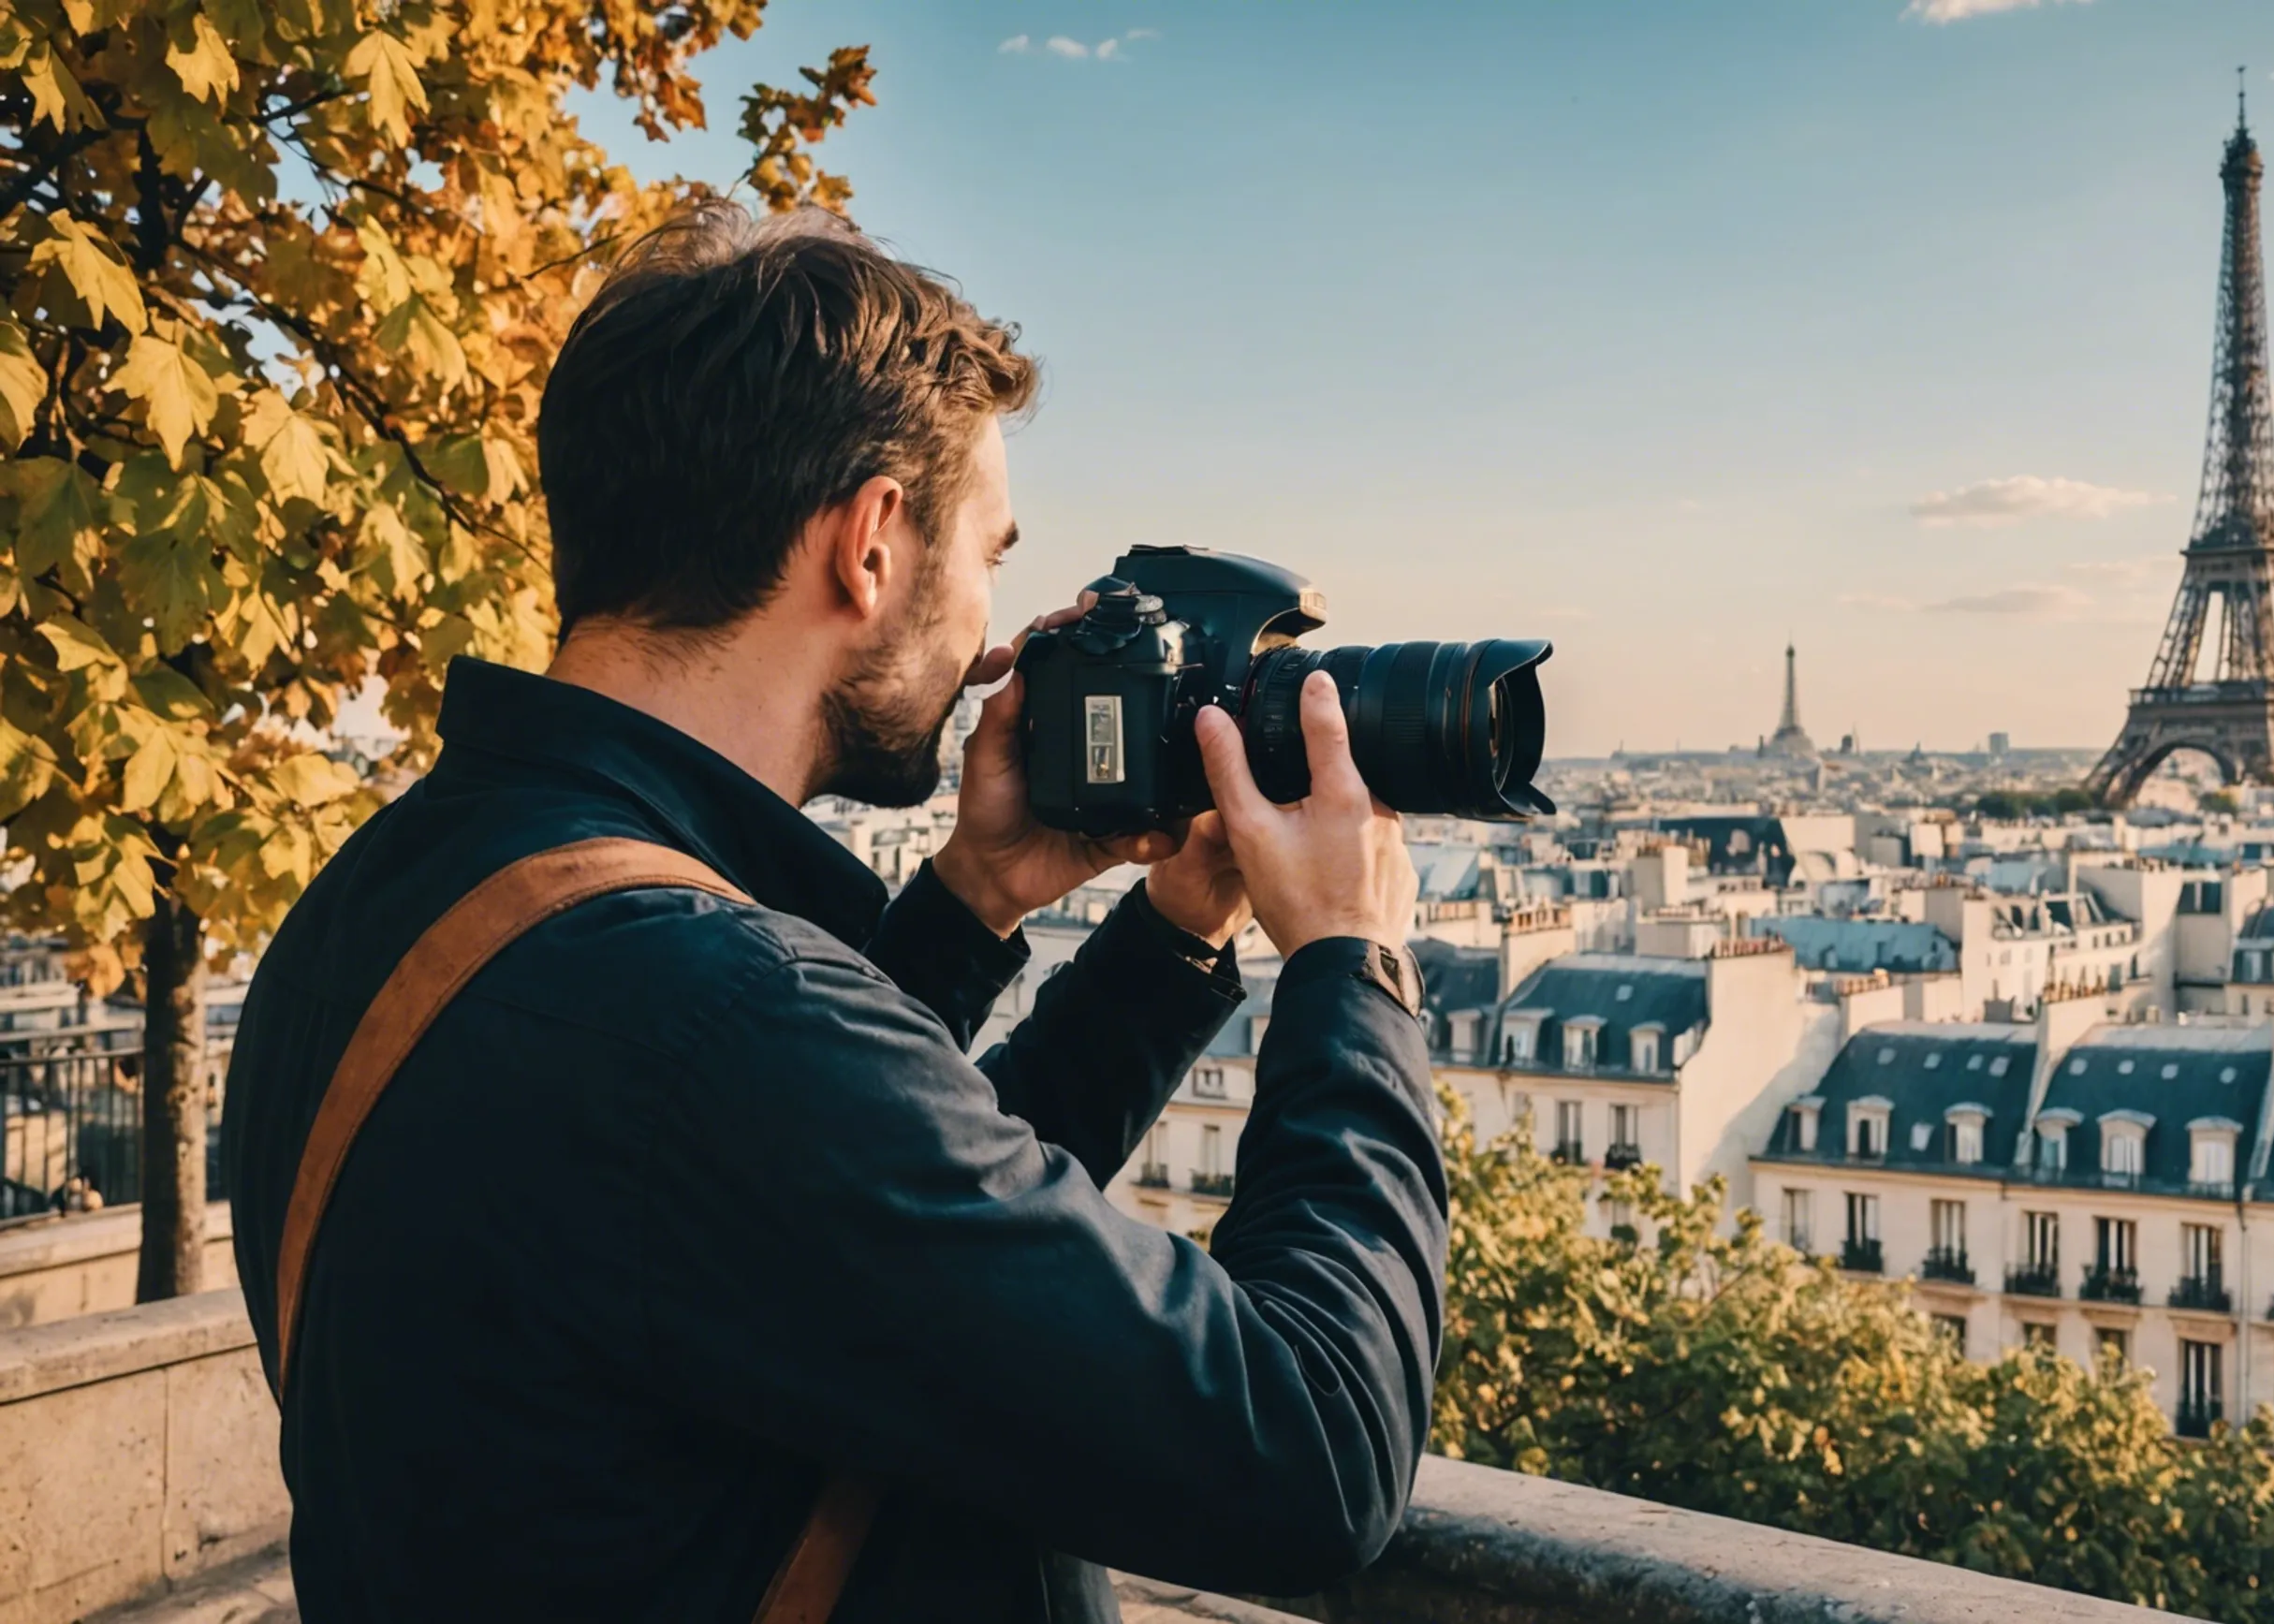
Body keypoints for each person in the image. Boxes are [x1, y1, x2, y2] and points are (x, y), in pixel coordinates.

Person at [223, 204, 1443, 1622]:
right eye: (988, 549)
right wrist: (1353, 967)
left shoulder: (388, 904)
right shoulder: (716, 1016)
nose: (997, 627)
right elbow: (1313, 1455)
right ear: (870, 546)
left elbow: (882, 1240)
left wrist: (1027, 905)